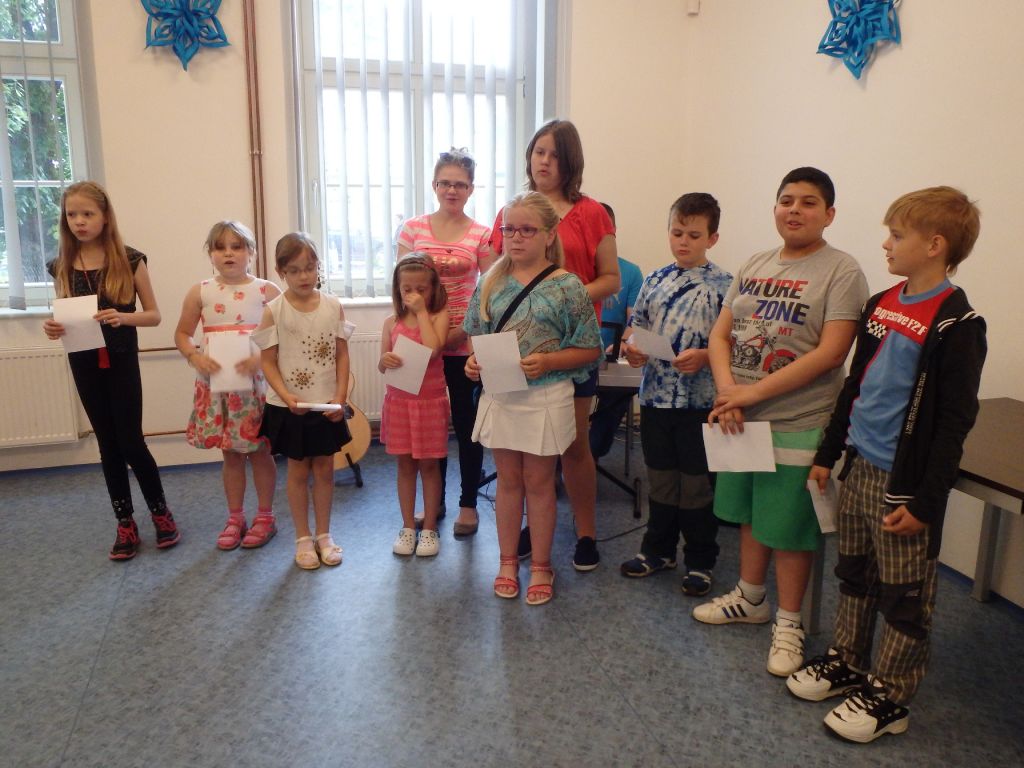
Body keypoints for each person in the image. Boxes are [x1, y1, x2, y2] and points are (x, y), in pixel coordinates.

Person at [786, 187, 986, 743]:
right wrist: (828, 455)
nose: (886, 244)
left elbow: (954, 424)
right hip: (859, 467)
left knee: (904, 593)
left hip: (904, 483)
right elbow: (855, 386)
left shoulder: (957, 324)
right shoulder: (881, 305)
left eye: (897, 235)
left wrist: (926, 502)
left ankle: (892, 695)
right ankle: (849, 660)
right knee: (855, 572)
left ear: (935, 245)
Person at [692, 167, 869, 679]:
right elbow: (720, 336)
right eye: (786, 200)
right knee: (751, 512)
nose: (794, 210)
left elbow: (831, 354)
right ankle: (750, 598)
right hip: (741, 418)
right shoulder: (755, 263)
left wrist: (748, 394)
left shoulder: (842, 270)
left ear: (829, 214)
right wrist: (729, 393)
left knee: (789, 528)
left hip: (799, 419)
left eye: (808, 202)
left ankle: (790, 622)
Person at [489, 119, 619, 571]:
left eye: (555, 154)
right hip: (519, 353)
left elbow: (610, 278)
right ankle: (531, 526)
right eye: (539, 151)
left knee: (573, 443)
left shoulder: (592, 213)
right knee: (522, 451)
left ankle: (586, 533)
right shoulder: (512, 211)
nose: (544, 161)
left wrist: (562, 298)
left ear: (570, 162)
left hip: (573, 347)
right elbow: (498, 280)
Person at [465, 192, 602, 605]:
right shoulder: (489, 282)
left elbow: (589, 348)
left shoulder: (567, 286)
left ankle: (541, 564)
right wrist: (473, 363)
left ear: (548, 234)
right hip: (503, 393)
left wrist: (549, 361)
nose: (516, 237)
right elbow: (476, 337)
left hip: (547, 395)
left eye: (527, 230)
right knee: (508, 482)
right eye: (509, 229)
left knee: (540, 483)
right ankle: (507, 561)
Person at [43, 181, 180, 560]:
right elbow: (61, 316)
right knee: (107, 445)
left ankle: (161, 512)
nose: (79, 221)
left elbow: (154, 315)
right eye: (72, 214)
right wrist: (52, 327)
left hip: (120, 361)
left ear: (105, 217)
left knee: (131, 442)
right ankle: (125, 522)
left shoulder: (130, 260)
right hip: (83, 362)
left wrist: (122, 317)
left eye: (87, 214)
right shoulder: (60, 265)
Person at [619, 193, 733, 596]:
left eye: (694, 235)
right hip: (656, 399)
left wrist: (704, 356)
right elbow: (636, 329)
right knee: (662, 480)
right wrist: (633, 349)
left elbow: (734, 342)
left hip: (700, 403)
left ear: (712, 238)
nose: (684, 241)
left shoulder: (725, 286)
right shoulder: (654, 280)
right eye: (677, 232)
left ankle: (700, 560)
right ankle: (658, 550)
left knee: (697, 485)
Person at [397, 148, 492, 537]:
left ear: (471, 189)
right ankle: (433, 502)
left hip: (464, 344)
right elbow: (402, 286)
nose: (452, 190)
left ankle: (468, 504)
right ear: (434, 185)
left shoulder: (482, 234)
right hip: (422, 345)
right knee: (429, 428)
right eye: (445, 183)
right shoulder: (412, 229)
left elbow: (490, 293)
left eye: (460, 184)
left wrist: (460, 332)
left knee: (468, 426)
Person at [174, 221, 280, 551]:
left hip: (257, 388)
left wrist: (261, 359)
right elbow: (182, 334)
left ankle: (265, 516)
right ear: (211, 254)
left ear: (251, 252)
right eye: (220, 248)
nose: (229, 253)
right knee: (231, 455)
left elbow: (285, 336)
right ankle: (235, 517)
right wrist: (194, 356)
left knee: (260, 452)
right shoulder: (200, 291)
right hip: (218, 386)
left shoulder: (267, 291)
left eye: (237, 246)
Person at [253, 233, 352, 570]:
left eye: (309, 268)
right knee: (297, 471)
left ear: (318, 266)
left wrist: (340, 397)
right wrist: (286, 395)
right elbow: (268, 361)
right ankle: (302, 537)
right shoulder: (273, 311)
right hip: (290, 406)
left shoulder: (333, 306)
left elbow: (341, 354)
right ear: (281, 272)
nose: (304, 276)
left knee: (324, 470)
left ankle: (324, 535)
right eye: (294, 271)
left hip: (326, 404)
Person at [379, 255, 450, 557]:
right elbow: (382, 365)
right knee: (405, 466)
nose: (414, 295)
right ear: (398, 290)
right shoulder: (390, 322)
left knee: (429, 466)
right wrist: (384, 360)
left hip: (429, 403)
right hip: (399, 403)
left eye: (421, 289)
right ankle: (408, 526)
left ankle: (429, 527)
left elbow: (433, 349)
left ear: (433, 289)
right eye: (407, 289)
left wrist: (421, 313)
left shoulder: (438, 316)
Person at [588, 202, 644, 460]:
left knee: (616, 398)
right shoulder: (572, 267)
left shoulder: (630, 272)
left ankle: (593, 452)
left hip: (612, 359)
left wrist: (622, 343)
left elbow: (635, 320)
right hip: (575, 358)